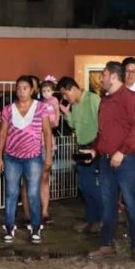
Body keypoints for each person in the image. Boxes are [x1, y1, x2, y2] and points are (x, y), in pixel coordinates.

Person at [86, 61, 135, 262]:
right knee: (108, 204)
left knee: (131, 203)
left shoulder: (133, 100)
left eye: (103, 75)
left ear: (113, 76)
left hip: (127, 160)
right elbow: (103, 132)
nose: (101, 79)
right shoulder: (104, 101)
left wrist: (122, 152)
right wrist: (94, 150)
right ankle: (106, 244)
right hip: (106, 160)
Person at [0, 76, 54, 244]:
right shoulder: (8, 109)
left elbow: (48, 133)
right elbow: (2, 134)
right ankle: (9, 226)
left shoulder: (41, 108)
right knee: (11, 193)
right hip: (11, 158)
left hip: (33, 158)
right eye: (19, 88)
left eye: (25, 88)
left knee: (33, 193)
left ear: (32, 90)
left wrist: (48, 156)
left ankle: (36, 227)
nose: (21, 92)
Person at [56, 76, 102, 234]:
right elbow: (74, 125)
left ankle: (102, 219)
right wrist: (67, 113)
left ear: (72, 89)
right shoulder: (75, 105)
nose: (64, 97)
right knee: (83, 185)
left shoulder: (92, 99)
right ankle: (91, 220)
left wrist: (98, 146)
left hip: (95, 146)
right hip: (82, 146)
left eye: (64, 94)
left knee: (91, 185)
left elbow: (102, 122)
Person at [38, 76, 61, 225]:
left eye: (48, 91)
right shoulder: (40, 104)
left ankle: (44, 211)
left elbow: (56, 119)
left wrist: (52, 123)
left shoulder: (53, 102)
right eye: (44, 91)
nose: (46, 93)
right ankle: (37, 210)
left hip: (46, 141)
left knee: (45, 176)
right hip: (36, 142)